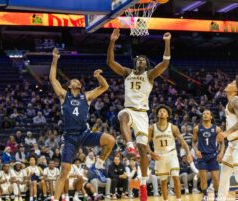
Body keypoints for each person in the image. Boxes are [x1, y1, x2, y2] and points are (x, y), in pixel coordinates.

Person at [107, 28, 171, 201]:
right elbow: (111, 61)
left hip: (142, 114)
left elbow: (164, 64)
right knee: (123, 117)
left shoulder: (149, 75)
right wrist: (113, 41)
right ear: (135, 62)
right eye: (138, 59)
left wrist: (166, 43)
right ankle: (129, 145)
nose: (140, 61)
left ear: (146, 64)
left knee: (143, 149)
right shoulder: (127, 72)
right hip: (129, 109)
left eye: (143, 60)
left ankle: (142, 184)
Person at [49, 47, 115, 201]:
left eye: (77, 80)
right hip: (70, 137)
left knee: (111, 140)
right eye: (73, 80)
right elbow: (53, 79)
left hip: (85, 134)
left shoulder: (87, 96)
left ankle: (98, 165)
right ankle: (55, 198)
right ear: (70, 85)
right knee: (65, 170)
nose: (76, 80)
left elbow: (105, 87)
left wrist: (99, 77)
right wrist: (55, 60)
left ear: (79, 85)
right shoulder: (63, 95)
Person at [148, 105, 192, 201]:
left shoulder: (173, 127)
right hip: (159, 156)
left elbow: (182, 141)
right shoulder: (152, 128)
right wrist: (151, 153)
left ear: (167, 115)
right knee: (163, 181)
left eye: (164, 111)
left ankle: (179, 199)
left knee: (175, 176)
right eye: (160, 111)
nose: (162, 112)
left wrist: (188, 152)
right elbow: (145, 143)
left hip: (171, 154)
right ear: (157, 114)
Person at [218, 75, 238, 201]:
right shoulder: (232, 101)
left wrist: (226, 132)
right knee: (224, 175)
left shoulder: (236, 100)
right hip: (232, 144)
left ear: (236, 89)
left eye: (232, 83)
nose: (229, 83)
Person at [192, 109, 225, 201]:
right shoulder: (197, 128)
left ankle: (216, 195)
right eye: (204, 114)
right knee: (203, 179)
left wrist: (221, 153)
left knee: (215, 178)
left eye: (207, 113)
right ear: (202, 116)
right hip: (202, 156)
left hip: (213, 156)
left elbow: (222, 143)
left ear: (211, 117)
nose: (205, 115)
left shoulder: (217, 129)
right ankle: (205, 195)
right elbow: (193, 142)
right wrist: (196, 150)